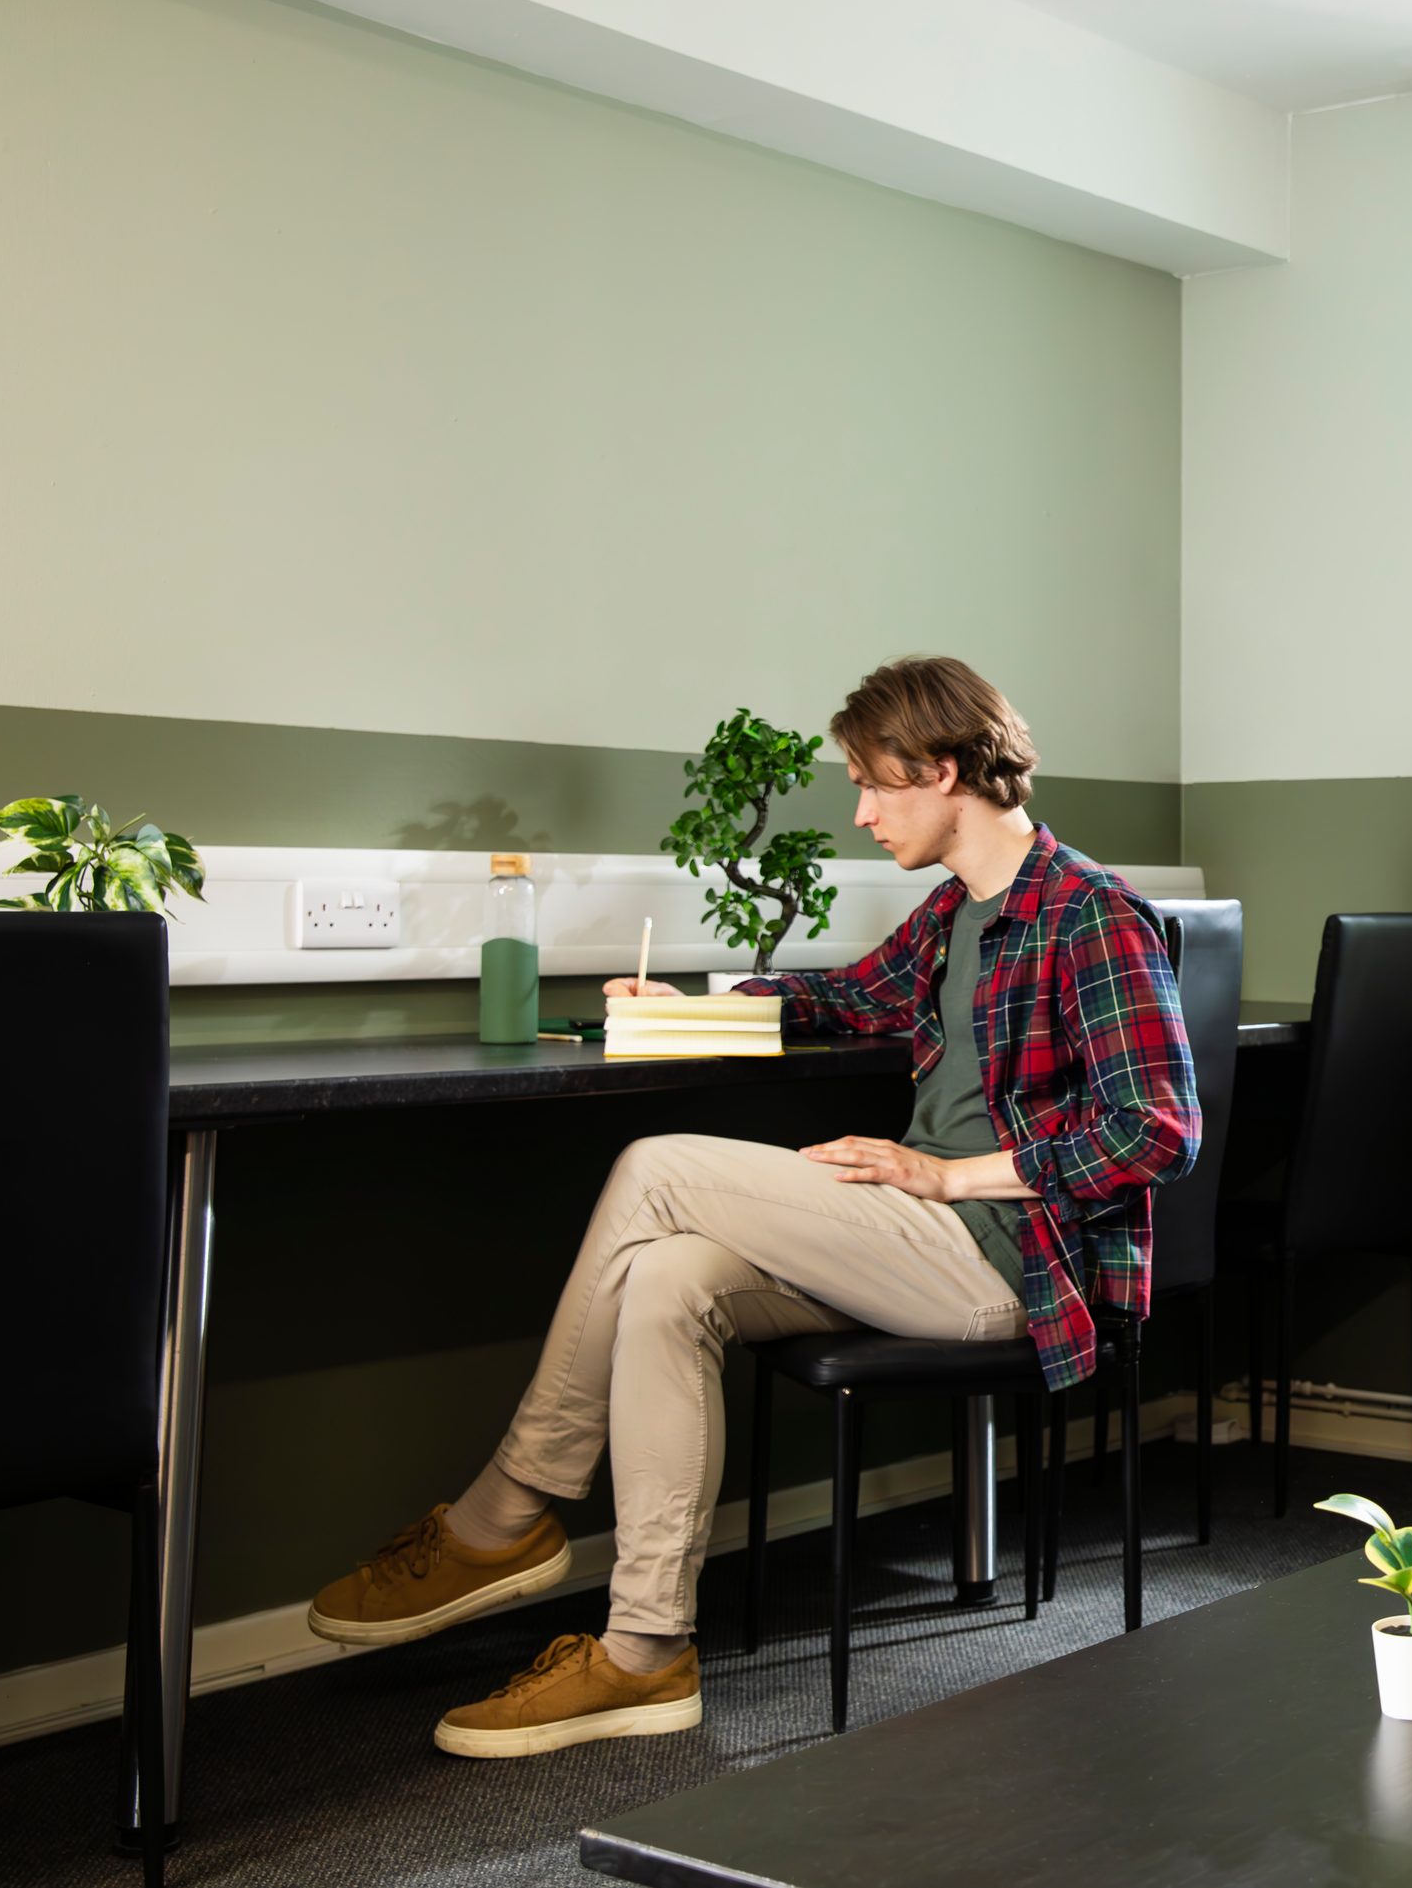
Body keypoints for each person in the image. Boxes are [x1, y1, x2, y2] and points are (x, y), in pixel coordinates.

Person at [305, 656, 1198, 1758]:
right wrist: (699, 1004)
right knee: (670, 1279)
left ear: (948, 769)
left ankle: (502, 1513)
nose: (862, 814)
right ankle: (645, 1655)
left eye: (876, 786)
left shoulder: (1093, 914)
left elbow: (1158, 1129)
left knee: (657, 1167)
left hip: (1007, 1267)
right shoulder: (958, 912)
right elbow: (845, 993)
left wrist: (950, 1174)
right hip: (918, 1244)